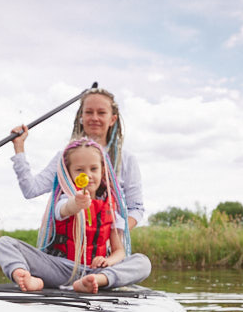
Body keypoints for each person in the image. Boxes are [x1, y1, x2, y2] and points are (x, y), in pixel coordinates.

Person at [0, 138, 152, 293]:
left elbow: (119, 251)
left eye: (93, 169)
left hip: (95, 271)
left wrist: (107, 261)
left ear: (103, 171)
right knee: (4, 243)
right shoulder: (64, 199)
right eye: (79, 170)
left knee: (143, 262)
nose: (88, 175)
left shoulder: (111, 207)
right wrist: (76, 204)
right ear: (68, 173)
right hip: (60, 269)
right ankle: (24, 275)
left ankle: (98, 281)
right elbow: (64, 210)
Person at [10, 87, 144, 230]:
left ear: (112, 119)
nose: (94, 118)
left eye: (101, 113)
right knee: (4, 244)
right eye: (88, 112)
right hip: (63, 247)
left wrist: (113, 234)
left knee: (139, 255)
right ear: (81, 118)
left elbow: (136, 208)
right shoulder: (65, 156)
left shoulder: (127, 159)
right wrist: (19, 147)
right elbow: (31, 190)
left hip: (107, 248)